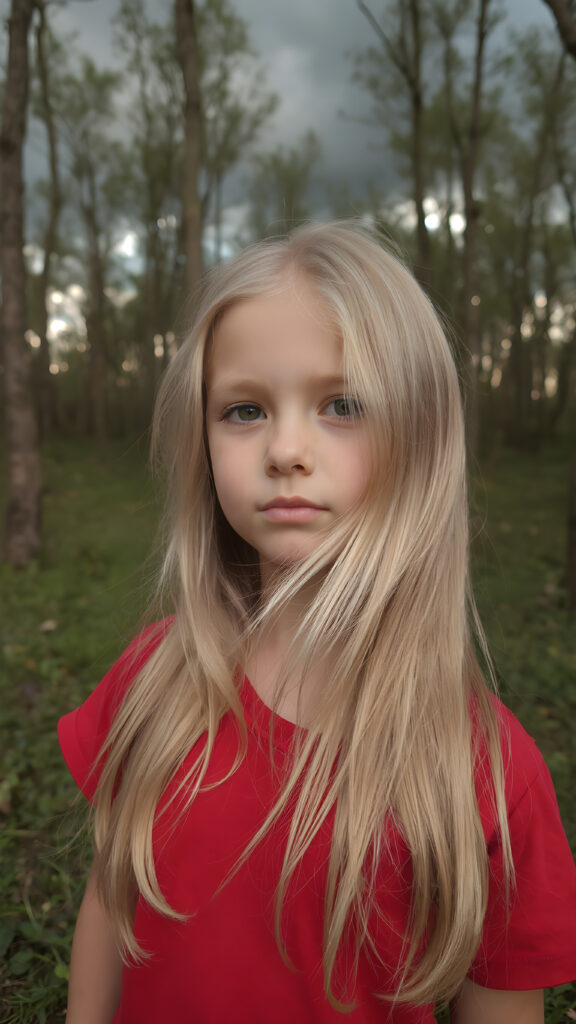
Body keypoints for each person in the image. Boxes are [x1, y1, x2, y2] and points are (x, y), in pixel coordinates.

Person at [59, 222, 576, 1024]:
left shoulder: (486, 769)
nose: (286, 449)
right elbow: (110, 899)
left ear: (421, 439)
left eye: (342, 404)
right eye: (243, 410)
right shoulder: (153, 678)